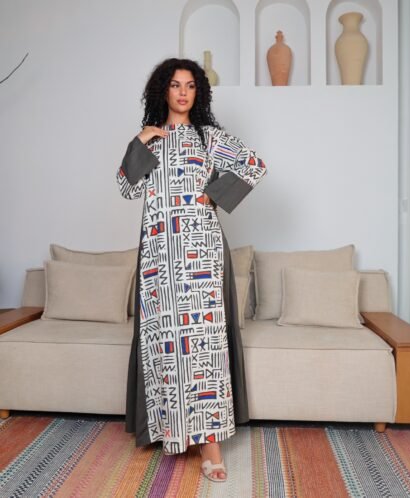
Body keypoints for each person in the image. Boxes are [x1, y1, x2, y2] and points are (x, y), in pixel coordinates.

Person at [116, 57, 267, 482]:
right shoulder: (151, 140)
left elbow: (254, 165)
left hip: (200, 253)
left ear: (198, 92)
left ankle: (210, 443)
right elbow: (126, 187)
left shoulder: (209, 137)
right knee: (165, 344)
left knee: (204, 347)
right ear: (162, 91)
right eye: (175, 85)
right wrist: (140, 139)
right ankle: (171, 430)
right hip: (158, 258)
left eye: (190, 86)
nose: (182, 92)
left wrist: (215, 195)